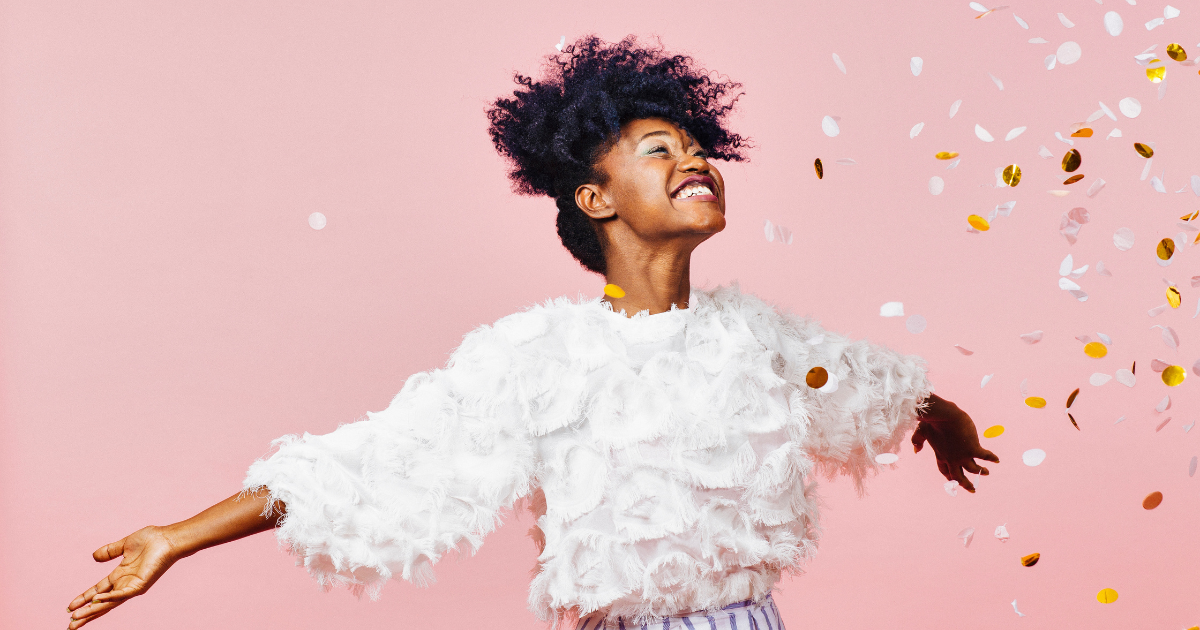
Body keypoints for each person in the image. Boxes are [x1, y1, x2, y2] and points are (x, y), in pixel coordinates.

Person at [66, 35, 998, 630]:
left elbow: (869, 383)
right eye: (658, 149)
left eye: (697, 146)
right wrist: (179, 537)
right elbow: (380, 459)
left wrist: (939, 415)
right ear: (596, 200)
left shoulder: (760, 338)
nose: (694, 158)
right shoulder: (541, 358)